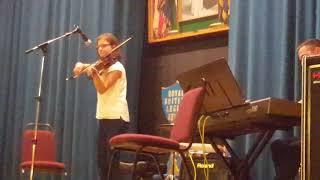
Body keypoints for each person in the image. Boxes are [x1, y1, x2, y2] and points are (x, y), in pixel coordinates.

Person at [73, 33, 130, 180]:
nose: (100, 49)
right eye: (98, 47)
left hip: (116, 117)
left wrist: (94, 74)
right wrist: (82, 65)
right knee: (101, 160)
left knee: (111, 161)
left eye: (104, 46)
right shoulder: (104, 66)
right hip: (104, 117)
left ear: (114, 47)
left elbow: (103, 88)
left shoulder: (118, 68)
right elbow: (93, 67)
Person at [271, 39, 320, 180]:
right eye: (301, 60)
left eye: (304, 57)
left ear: (318, 51)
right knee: (279, 145)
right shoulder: (311, 76)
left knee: (290, 149)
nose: (303, 63)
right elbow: (302, 104)